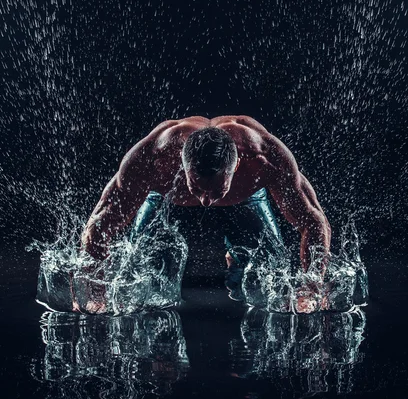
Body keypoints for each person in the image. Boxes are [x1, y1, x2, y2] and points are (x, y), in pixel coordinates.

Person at [80, 115, 331, 312]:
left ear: (238, 165)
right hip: (166, 196)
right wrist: (97, 296)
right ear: (182, 162)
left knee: (269, 278)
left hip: (245, 196)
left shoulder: (265, 157)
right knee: (138, 275)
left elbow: (315, 222)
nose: (205, 201)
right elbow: (99, 225)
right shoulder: (151, 158)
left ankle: (237, 258)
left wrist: (310, 291)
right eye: (196, 187)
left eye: (217, 190)